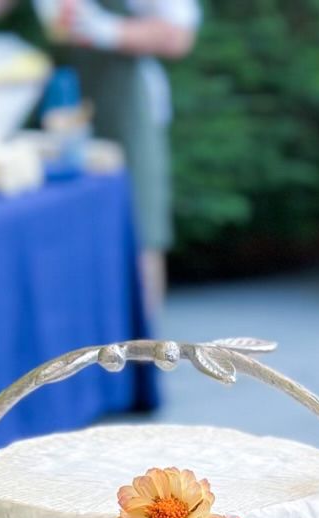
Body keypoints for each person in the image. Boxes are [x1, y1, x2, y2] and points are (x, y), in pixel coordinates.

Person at [36, 0, 200, 312]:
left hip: (128, 101)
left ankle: (145, 352)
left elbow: (178, 36)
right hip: (66, 92)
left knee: (139, 229)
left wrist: (104, 30)